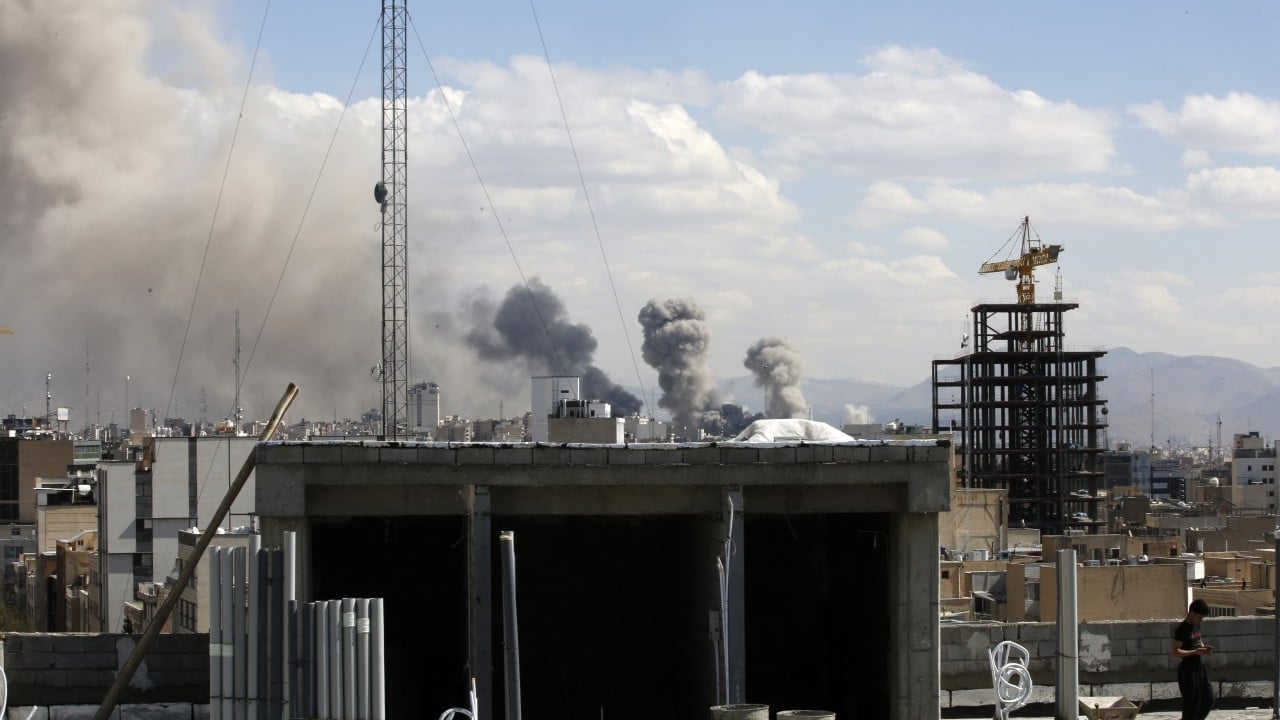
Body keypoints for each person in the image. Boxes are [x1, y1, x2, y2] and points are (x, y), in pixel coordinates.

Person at [1170, 598, 1214, 719]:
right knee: (1191, 705)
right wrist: (1195, 651)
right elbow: (1175, 652)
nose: (1201, 620)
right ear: (1192, 613)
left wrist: (1205, 649)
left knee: (1208, 699)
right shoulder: (1182, 629)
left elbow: (1198, 641)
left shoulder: (1196, 625)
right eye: (1199, 617)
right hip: (1187, 670)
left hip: (1199, 668)